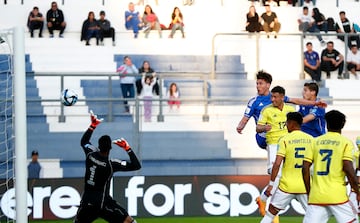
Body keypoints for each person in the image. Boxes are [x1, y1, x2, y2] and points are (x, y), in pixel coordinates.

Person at [74, 110, 141, 223]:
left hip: (87, 202)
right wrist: (127, 148)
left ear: (98, 146)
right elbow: (136, 165)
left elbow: (84, 141)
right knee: (129, 221)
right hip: (103, 204)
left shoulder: (90, 154)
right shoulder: (111, 164)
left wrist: (92, 126)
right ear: (110, 148)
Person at [236, 71, 325, 150]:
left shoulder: (277, 96)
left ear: (268, 85)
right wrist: (240, 126)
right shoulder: (254, 102)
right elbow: (245, 118)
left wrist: (314, 103)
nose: (258, 86)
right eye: (257, 83)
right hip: (264, 136)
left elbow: (295, 100)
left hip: (281, 135)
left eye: (260, 83)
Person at [302, 110, 360, 223]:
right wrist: (357, 191)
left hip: (317, 196)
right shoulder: (346, 143)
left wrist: (309, 191)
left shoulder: (314, 141)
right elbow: (348, 169)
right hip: (338, 196)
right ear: (343, 123)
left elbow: (305, 169)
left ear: (326, 123)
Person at [260, 112, 313, 223]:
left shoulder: (284, 139)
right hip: (305, 186)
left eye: (287, 123)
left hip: (286, 187)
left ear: (292, 123)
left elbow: (277, 164)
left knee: (270, 214)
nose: (286, 125)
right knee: (313, 216)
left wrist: (271, 185)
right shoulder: (311, 140)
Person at [255, 86, 296, 223]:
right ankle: (270, 209)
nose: (272, 99)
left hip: (289, 145)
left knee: (283, 177)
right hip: (274, 145)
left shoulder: (291, 109)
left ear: (282, 97)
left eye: (275, 97)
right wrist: (264, 127)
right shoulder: (266, 110)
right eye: (271, 97)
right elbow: (258, 127)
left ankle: (263, 201)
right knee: (276, 175)